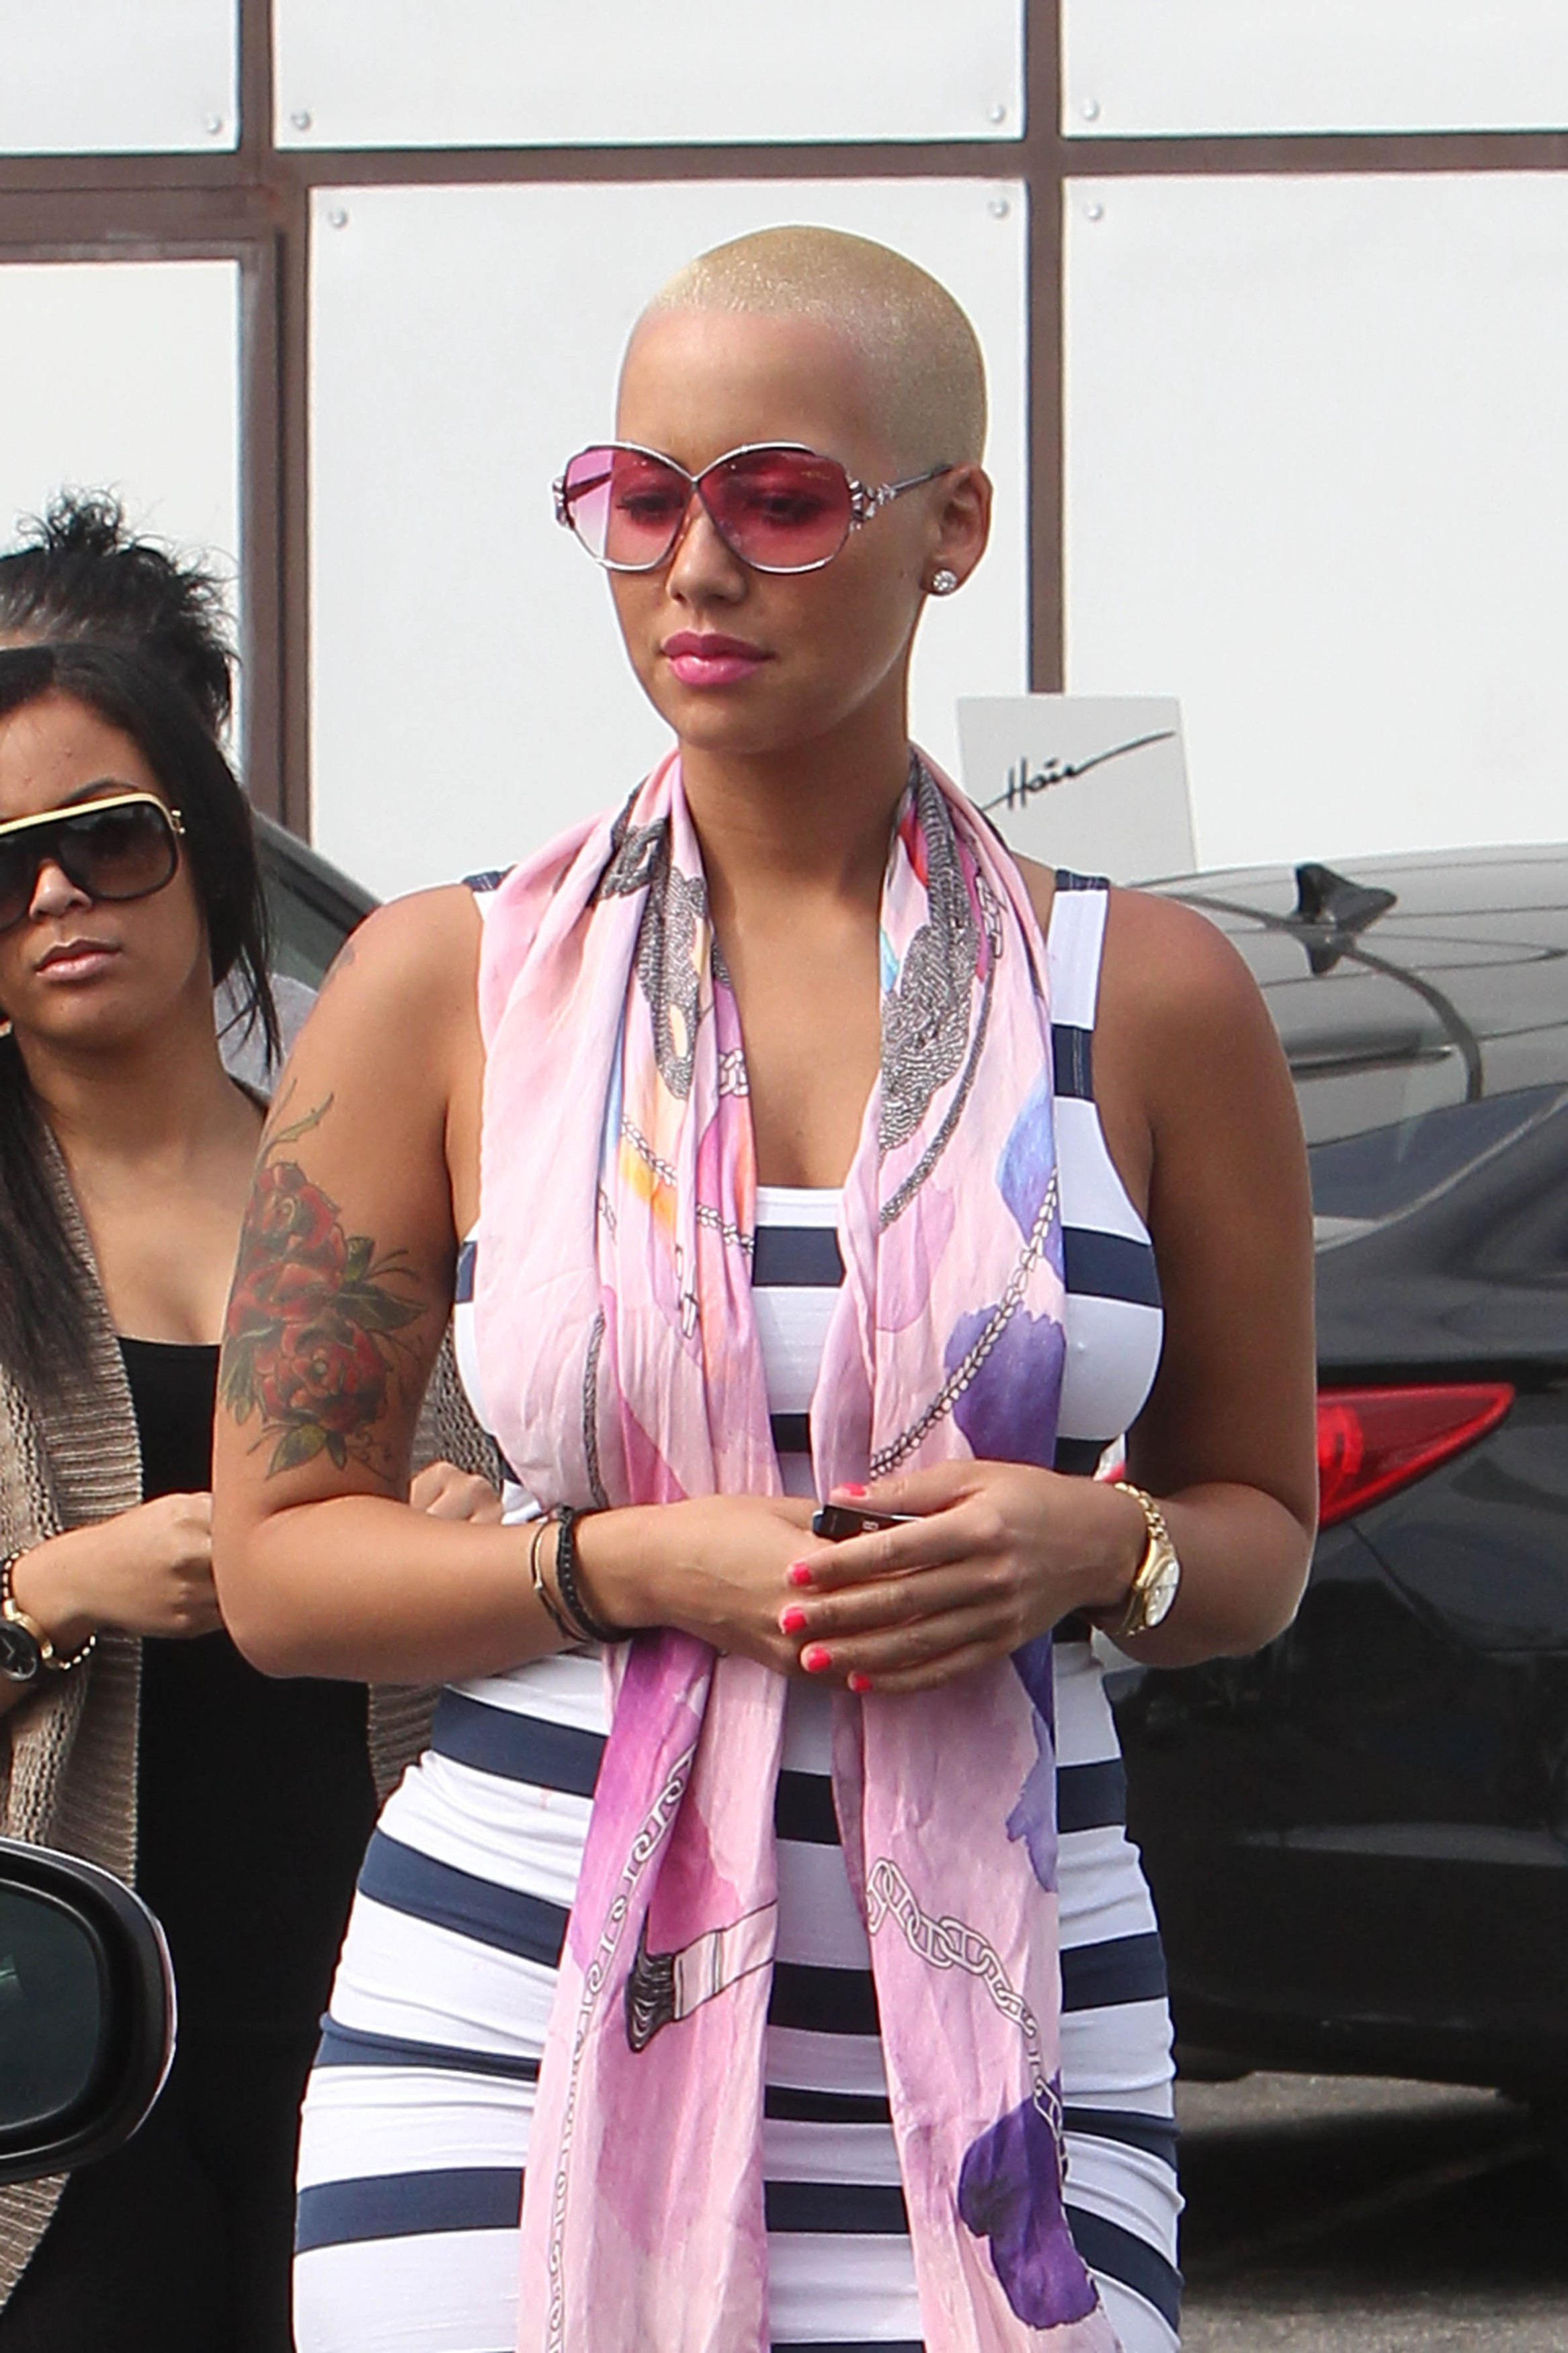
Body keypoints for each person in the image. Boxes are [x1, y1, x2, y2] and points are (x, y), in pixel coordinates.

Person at [212, 228, 1317, 2353]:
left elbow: (1255, 1535)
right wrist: (628, 1564)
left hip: (1011, 2043)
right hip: (507, 2020)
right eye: (638, 499)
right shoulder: (442, 986)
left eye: (780, 499)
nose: (695, 568)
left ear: (949, 526)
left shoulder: (1150, 999)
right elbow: (278, 1567)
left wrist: (1102, 1544)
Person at [0, 629, 485, 2352]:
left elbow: (568, 1531)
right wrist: (52, 1591)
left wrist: (476, 1551)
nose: (56, 893)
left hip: (386, 1995)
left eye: (107, 836)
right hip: (54, 2036)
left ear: (204, 849)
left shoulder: (382, 1187)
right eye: (2, 867)